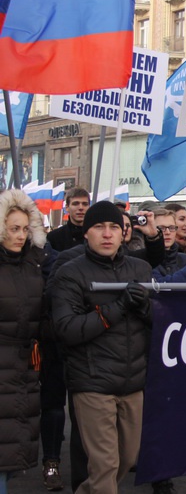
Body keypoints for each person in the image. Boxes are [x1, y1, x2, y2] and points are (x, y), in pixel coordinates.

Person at [50, 201, 153, 494]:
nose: (107, 234)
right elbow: (67, 329)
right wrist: (116, 308)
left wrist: (145, 307)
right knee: (105, 465)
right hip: (92, 383)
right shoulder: (71, 273)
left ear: (123, 233)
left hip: (133, 382)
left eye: (113, 227)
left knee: (126, 459)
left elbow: (161, 321)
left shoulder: (140, 268)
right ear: (86, 233)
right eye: (98, 227)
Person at [0, 190, 49, 494]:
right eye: (13, 228)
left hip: (24, 368)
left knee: (12, 449)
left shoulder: (36, 265)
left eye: (24, 229)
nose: (20, 235)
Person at [46, 187, 90, 251]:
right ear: (67, 207)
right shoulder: (54, 237)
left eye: (85, 204)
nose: (81, 208)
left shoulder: (97, 235)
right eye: (75, 204)